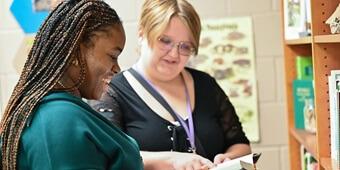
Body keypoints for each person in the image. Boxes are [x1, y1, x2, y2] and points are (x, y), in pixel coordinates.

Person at [90, 0, 251, 169]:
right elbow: (107, 154)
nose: (174, 54)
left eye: (185, 46)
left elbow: (241, 144)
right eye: (165, 41)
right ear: (141, 33)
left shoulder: (206, 85)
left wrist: (229, 158)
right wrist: (170, 160)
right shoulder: (110, 90)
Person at [0, 0, 143, 169]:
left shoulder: (64, 110)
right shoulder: (59, 120)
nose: (117, 69)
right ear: (76, 51)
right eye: (113, 56)